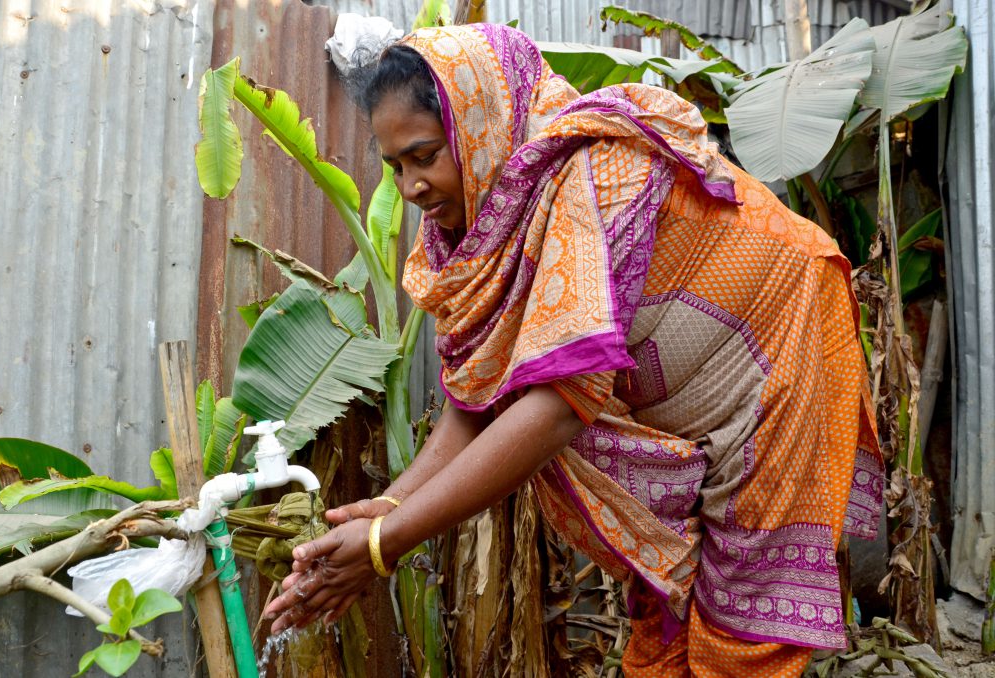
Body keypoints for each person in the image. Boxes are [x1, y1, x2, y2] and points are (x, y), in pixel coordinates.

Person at [264, 24, 883, 677]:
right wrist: (385, 513)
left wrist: (386, 545)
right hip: (683, 378)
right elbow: (477, 401)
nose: (411, 186)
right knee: (671, 599)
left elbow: (561, 404)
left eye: (424, 156)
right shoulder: (473, 233)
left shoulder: (591, 172)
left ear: (479, 127)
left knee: (744, 608)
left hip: (781, 334)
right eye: (396, 167)